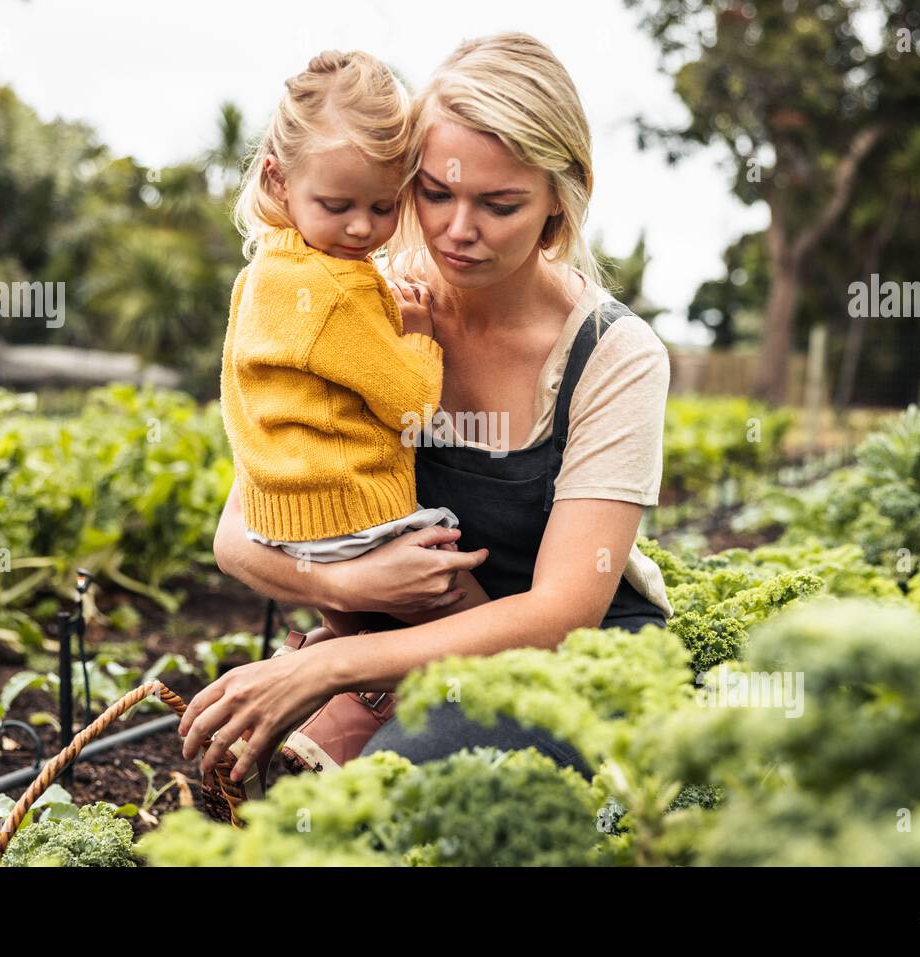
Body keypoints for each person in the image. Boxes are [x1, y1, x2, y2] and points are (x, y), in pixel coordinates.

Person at [182, 31, 673, 787]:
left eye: (499, 204)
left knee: (401, 785)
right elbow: (238, 535)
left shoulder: (612, 357)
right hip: (408, 638)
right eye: (436, 193)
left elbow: (556, 617)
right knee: (259, 785)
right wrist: (350, 590)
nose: (456, 229)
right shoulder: (372, 304)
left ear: (559, 200)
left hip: (572, 662)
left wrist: (335, 662)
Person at [217, 49, 493, 790]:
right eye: (338, 207)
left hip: (283, 508)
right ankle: (426, 694)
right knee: (456, 594)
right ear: (278, 178)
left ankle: (350, 689)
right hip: (351, 504)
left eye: (381, 206)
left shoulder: (263, 274)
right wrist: (421, 340)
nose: (363, 229)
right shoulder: (338, 290)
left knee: (363, 613)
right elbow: (409, 401)